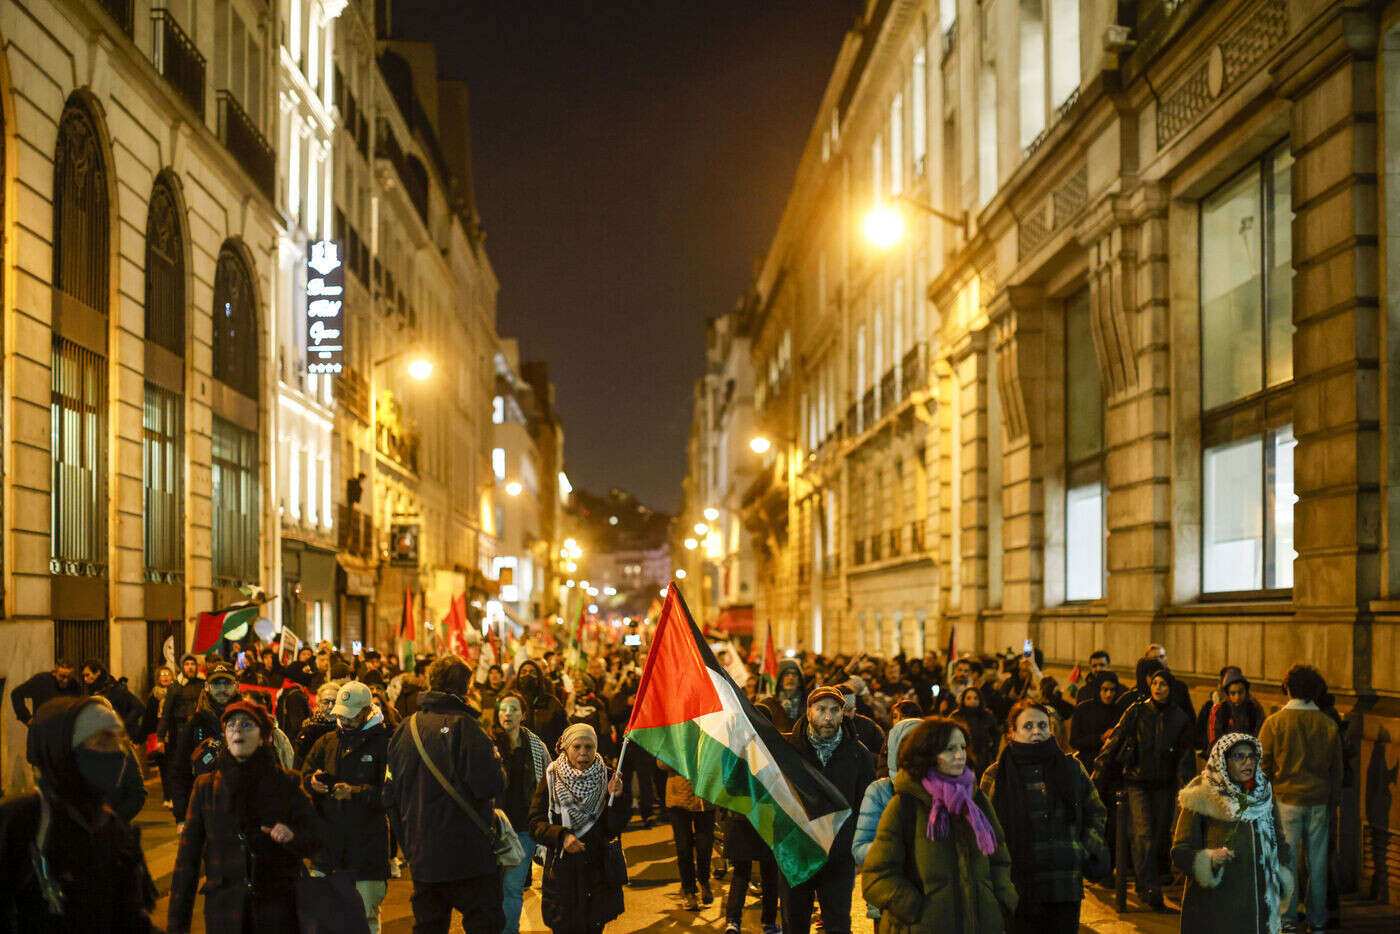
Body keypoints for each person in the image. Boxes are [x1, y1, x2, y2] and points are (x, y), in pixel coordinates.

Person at [0, 696, 158, 930]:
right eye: (103, 740)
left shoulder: (114, 831)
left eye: (119, 740)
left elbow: (130, 919)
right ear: (66, 750)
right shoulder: (22, 821)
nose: (116, 752)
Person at [167, 700, 319, 934]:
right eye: (231, 725)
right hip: (225, 913)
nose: (237, 729)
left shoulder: (286, 783)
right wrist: (177, 925)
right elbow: (187, 862)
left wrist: (292, 836)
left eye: (247, 725)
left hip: (277, 910)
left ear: (263, 737)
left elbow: (316, 839)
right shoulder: (206, 787)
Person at [384, 654, 508, 933]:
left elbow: (390, 795)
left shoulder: (406, 728)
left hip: (423, 856)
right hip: (469, 855)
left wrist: (409, 843)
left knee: (429, 926)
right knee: (484, 924)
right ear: (466, 687)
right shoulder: (466, 727)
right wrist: (498, 765)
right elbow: (489, 785)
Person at [861, 716, 1017, 933]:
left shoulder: (975, 800)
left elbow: (999, 859)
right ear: (927, 754)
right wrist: (917, 912)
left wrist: (1000, 901)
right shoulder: (905, 805)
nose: (960, 755)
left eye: (962, 747)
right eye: (949, 748)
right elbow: (877, 876)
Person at [981, 700, 1108, 934]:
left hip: (1063, 882)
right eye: (1027, 726)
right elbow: (985, 828)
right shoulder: (996, 774)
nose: (1037, 731)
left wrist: (1082, 848)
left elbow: (1095, 810)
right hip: (1016, 884)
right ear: (1012, 732)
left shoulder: (1071, 767)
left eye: (1042, 725)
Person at [1173, 733, 1292, 934]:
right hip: (1215, 909)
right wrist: (1210, 859)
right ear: (1223, 761)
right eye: (1239, 757)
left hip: (1258, 908)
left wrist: (1279, 871)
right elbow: (1180, 851)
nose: (1248, 762)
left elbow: (1279, 841)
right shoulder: (1202, 795)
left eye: (1252, 756)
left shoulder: (1262, 795)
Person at [1097, 667, 1194, 911]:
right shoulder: (1137, 711)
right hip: (1136, 782)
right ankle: (1149, 889)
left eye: (1164, 684)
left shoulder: (1179, 718)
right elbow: (1115, 739)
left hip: (1164, 785)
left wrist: (1187, 789)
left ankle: (1148, 884)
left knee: (1160, 837)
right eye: (1155, 683)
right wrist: (1098, 772)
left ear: (1171, 688)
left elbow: (1185, 757)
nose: (1159, 688)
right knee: (1143, 835)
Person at [781, 685, 876, 934]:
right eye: (821, 709)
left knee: (838, 924)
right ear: (808, 711)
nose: (827, 717)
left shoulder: (858, 754)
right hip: (797, 853)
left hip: (838, 858)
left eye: (835, 710)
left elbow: (864, 806)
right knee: (795, 922)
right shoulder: (788, 750)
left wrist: (849, 843)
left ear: (843, 713)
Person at [301, 681, 392, 934]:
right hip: (327, 850)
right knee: (322, 921)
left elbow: (391, 794)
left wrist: (355, 792)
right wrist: (312, 783)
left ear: (366, 712)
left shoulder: (384, 743)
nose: (344, 721)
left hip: (367, 852)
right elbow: (304, 775)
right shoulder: (326, 741)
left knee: (365, 921)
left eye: (351, 716)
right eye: (341, 715)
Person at [1259, 664, 1342, 934]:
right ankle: (1318, 921)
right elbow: (1337, 769)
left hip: (1286, 800)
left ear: (1288, 688)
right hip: (1319, 799)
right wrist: (1333, 799)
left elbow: (1263, 766)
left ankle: (1287, 919)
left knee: (1287, 862)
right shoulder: (1328, 725)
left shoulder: (1275, 723)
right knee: (1317, 863)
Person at [529, 722, 630, 933]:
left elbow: (614, 828)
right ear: (566, 748)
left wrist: (617, 798)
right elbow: (535, 824)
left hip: (597, 875)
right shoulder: (551, 778)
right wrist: (562, 836)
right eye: (577, 747)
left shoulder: (609, 777)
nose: (583, 753)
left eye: (589, 747)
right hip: (562, 876)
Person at [851, 717, 922, 925]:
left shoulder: (941, 790)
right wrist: (894, 848)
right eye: (907, 744)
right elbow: (860, 848)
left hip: (932, 899)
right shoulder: (880, 791)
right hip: (888, 898)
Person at [494, 692, 550, 934]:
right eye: (503, 708)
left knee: (512, 887)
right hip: (492, 828)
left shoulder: (536, 746)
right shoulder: (486, 744)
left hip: (524, 828)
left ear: (523, 715)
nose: (507, 713)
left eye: (513, 709)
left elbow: (549, 780)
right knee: (491, 889)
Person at [170, 660, 241, 829]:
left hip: (242, 812)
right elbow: (180, 772)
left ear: (237, 686)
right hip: (204, 814)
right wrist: (181, 817)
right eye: (216, 684)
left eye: (227, 683)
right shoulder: (195, 725)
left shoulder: (249, 720)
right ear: (207, 686)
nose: (222, 689)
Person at [661, 759, 716, 910]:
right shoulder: (672, 736)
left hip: (704, 797)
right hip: (678, 798)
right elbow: (661, 763)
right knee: (684, 848)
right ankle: (689, 891)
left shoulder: (708, 734)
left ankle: (704, 881)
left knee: (705, 846)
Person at [140, 664, 176, 807]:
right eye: (162, 675)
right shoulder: (154, 696)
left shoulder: (176, 693)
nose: (165, 677)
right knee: (164, 768)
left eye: (167, 674)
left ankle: (174, 796)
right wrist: (139, 738)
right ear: (157, 678)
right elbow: (148, 719)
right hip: (159, 736)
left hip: (173, 735)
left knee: (174, 767)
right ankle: (167, 797)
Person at [79, 660, 144, 737]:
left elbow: (139, 707)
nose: (85, 679)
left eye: (87, 675)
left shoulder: (115, 689)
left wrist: (123, 724)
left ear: (98, 673)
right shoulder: (95, 690)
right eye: (84, 676)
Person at [514, 659, 568, 751]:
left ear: (539, 677)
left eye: (532, 672)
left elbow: (564, 730)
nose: (527, 675)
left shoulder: (551, 703)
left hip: (546, 753)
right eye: (523, 672)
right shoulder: (512, 701)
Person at [8, 660, 82, 725]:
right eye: (62, 676)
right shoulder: (41, 681)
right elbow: (16, 694)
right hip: (41, 730)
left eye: (69, 677)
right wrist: (27, 718)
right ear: (54, 673)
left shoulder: (74, 686)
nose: (66, 680)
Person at [952, 685, 1001, 778]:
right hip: (961, 756)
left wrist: (994, 753)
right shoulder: (957, 716)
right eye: (968, 698)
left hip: (983, 757)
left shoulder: (987, 716)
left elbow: (995, 736)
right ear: (963, 700)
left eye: (975, 698)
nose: (972, 701)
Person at [1208, 670, 1266, 746]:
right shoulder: (1220, 710)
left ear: (1246, 691)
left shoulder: (1254, 708)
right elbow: (1214, 739)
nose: (1237, 697)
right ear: (1227, 694)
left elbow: (1261, 734)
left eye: (1240, 692)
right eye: (1233, 693)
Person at [294, 681, 342, 768]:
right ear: (318, 703)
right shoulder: (308, 730)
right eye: (326, 702)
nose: (331, 706)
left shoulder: (346, 728)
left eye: (335, 702)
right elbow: (299, 763)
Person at [756, 658, 808, 732]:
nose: (791, 678)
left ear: (800, 681)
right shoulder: (769, 705)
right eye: (786, 675)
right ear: (780, 681)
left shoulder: (808, 704)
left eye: (794, 675)